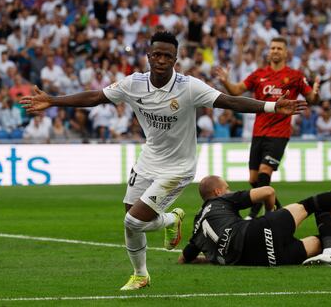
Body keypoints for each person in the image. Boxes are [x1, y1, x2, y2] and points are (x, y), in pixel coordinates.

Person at [20, 31, 306, 290]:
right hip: (149, 159)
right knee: (129, 217)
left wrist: (271, 106)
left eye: (167, 56)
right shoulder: (133, 84)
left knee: (133, 222)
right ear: (148, 56)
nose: (161, 60)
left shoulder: (189, 86)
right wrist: (54, 100)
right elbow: (96, 96)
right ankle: (141, 273)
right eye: (156, 54)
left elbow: (228, 101)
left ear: (175, 59)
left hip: (179, 166)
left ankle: (170, 218)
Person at [215, 37, 320, 219]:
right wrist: (225, 82)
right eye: (273, 48)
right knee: (254, 180)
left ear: (286, 53)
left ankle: (254, 213)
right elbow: (237, 91)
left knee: (264, 173)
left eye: (279, 48)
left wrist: (316, 93)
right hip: (259, 132)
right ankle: (279, 212)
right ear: (269, 52)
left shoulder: (295, 76)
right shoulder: (258, 74)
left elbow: (311, 99)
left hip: (279, 134)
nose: (275, 51)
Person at [178, 174, 331, 266]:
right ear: (218, 191)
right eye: (227, 187)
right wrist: (271, 214)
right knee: (311, 204)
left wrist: (210, 258)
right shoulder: (222, 200)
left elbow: (184, 259)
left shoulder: (197, 228)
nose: (229, 190)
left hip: (261, 259)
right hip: (257, 231)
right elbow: (268, 191)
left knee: (324, 241)